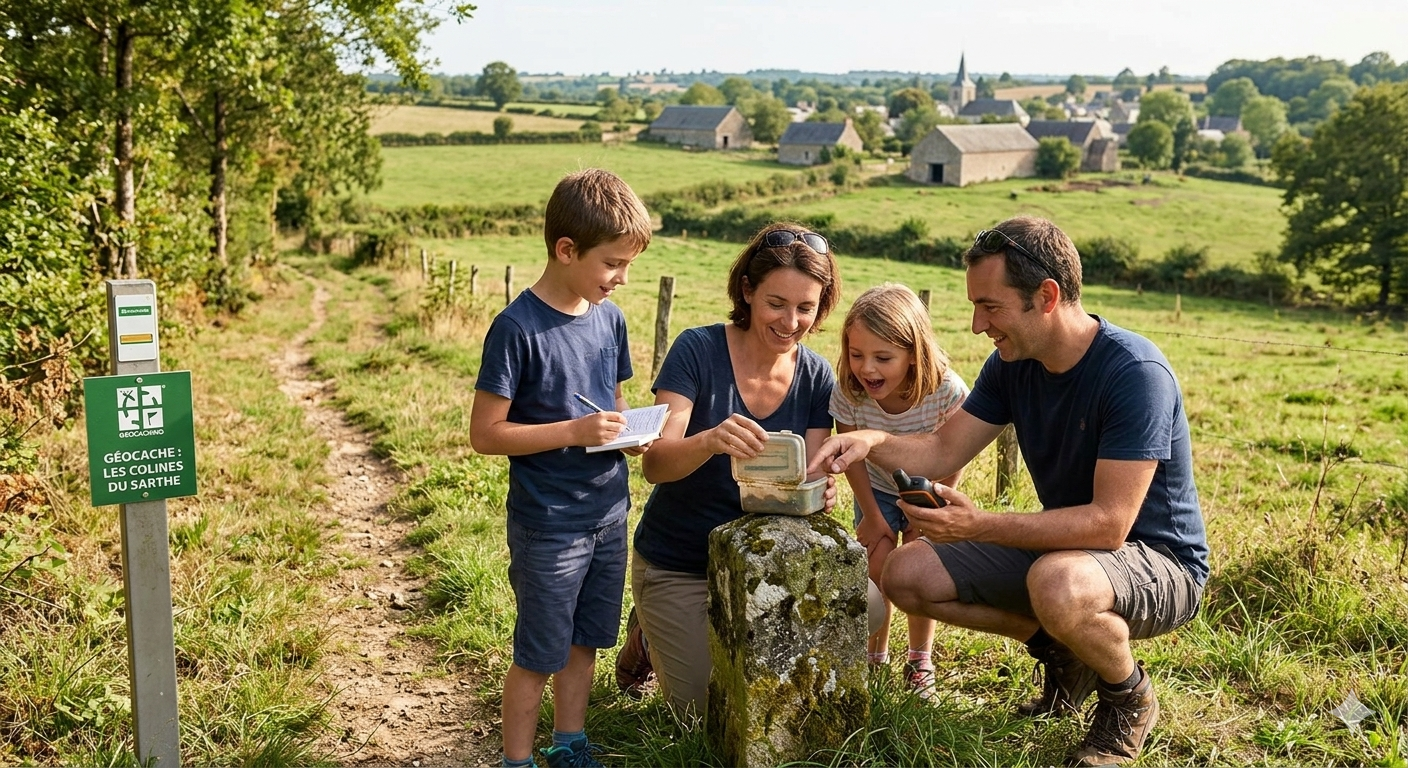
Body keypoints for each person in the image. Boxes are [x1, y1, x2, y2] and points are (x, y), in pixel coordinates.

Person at [808, 216, 1208, 767]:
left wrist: (980, 525)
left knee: (1057, 581)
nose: (977, 325)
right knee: (906, 574)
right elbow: (942, 451)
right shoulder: (1011, 365)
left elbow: (1109, 525)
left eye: (989, 306)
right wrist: (870, 438)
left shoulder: (1134, 372)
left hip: (1158, 562)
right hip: (1070, 554)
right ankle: (1065, 651)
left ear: (1046, 296)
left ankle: (1128, 698)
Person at [615, 223, 841, 716]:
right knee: (709, 714)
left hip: (765, 564)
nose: (791, 321)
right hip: (680, 562)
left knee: (783, 694)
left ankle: (685, 633)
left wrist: (821, 493)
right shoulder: (698, 350)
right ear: (747, 290)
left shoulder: (819, 375)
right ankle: (651, 634)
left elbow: (813, 474)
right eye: (776, 304)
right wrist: (709, 440)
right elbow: (655, 463)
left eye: (806, 308)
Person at [469, 168, 654, 768]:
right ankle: (517, 760)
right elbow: (485, 434)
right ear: (565, 250)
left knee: (587, 640)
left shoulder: (611, 320)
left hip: (608, 511)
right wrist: (574, 433)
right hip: (548, 522)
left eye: (628, 266)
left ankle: (569, 744)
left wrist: (626, 434)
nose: (621, 279)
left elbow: (614, 402)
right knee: (539, 652)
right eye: (612, 265)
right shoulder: (516, 329)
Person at [830, 283, 968, 700]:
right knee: (878, 568)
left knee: (920, 572)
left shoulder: (945, 390)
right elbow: (851, 455)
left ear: (914, 352)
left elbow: (954, 452)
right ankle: (875, 657)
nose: (867, 369)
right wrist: (872, 516)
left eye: (883, 358)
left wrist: (935, 499)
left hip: (927, 489)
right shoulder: (850, 391)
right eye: (857, 355)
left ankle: (919, 659)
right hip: (873, 490)